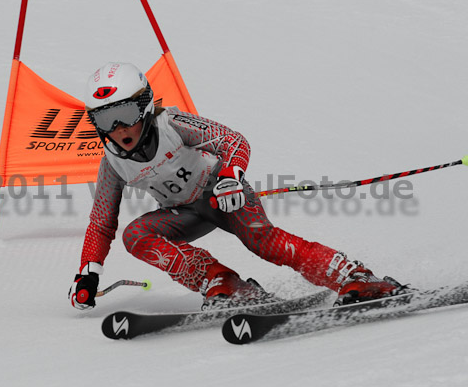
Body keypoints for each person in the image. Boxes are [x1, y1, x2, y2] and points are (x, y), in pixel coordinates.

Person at [69, 62, 407, 311]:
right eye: (104, 119)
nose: (118, 128)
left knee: (265, 242)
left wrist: (230, 177)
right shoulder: (113, 162)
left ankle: (354, 276)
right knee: (135, 235)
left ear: (144, 106)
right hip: (182, 215)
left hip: (223, 197)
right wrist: (89, 272)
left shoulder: (171, 124)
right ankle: (223, 283)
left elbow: (232, 140)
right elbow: (101, 223)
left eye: (125, 113)